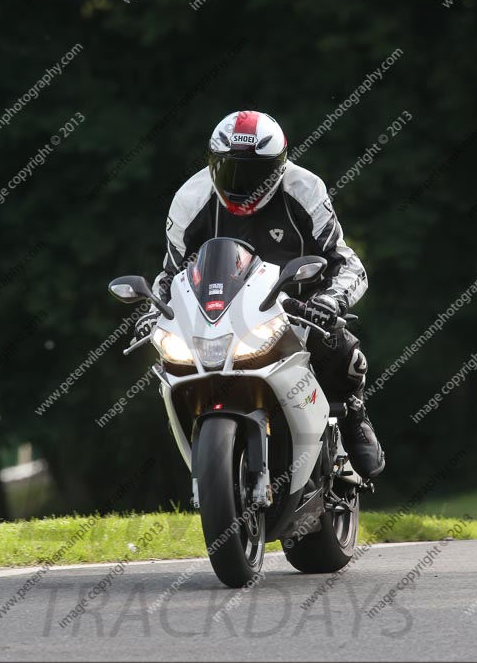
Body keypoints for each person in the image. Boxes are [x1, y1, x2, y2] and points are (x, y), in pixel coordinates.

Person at [136, 110, 384, 480]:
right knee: (169, 362)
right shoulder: (190, 199)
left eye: (254, 173)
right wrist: (151, 313)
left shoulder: (305, 189)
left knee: (341, 344)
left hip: (296, 308)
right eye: (229, 170)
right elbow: (170, 275)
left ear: (280, 166)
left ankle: (353, 412)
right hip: (220, 317)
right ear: (211, 163)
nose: (240, 183)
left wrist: (330, 301)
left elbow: (347, 263)